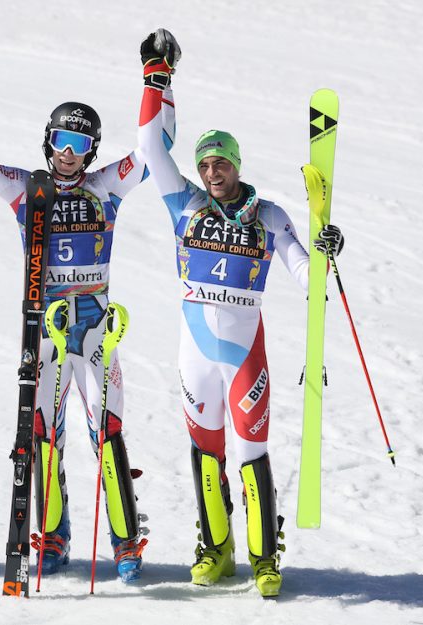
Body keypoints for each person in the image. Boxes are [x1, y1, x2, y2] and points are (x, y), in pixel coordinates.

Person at [0, 46, 176, 582]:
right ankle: (52, 536)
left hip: (94, 331)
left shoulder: (104, 186)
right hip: (45, 330)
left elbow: (156, 149)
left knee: (108, 431)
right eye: (61, 142)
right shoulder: (27, 186)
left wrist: (158, 82)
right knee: (43, 433)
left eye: (80, 145)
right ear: (48, 140)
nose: (68, 154)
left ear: (92, 152)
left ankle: (125, 539)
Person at [134, 29, 345, 597]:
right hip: (194, 346)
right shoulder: (184, 204)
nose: (211, 173)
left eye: (219, 163)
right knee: (206, 450)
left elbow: (305, 271)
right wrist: (158, 75)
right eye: (204, 165)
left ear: (235, 164)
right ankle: (215, 546)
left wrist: (323, 254)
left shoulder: (268, 215)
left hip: (245, 346)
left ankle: (264, 556)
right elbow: (152, 148)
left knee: (251, 451)